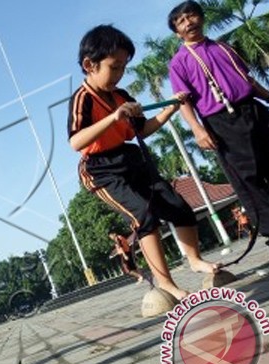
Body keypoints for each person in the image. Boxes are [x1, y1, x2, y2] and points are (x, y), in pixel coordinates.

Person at [68, 24, 221, 301]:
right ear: (90, 65)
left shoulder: (122, 96)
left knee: (177, 206)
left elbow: (143, 129)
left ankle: (196, 260)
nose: (119, 75)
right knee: (144, 215)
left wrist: (170, 107)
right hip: (100, 170)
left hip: (131, 158)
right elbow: (76, 142)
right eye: (114, 67)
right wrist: (113, 118)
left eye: (123, 68)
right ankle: (167, 285)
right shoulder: (82, 99)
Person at [167, 0, 269, 250]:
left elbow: (246, 79)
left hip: (254, 111)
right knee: (249, 178)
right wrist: (197, 129)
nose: (188, 22)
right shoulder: (179, 62)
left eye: (191, 16)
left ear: (201, 19)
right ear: (176, 32)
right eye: (181, 21)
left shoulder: (224, 47)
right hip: (222, 121)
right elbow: (184, 102)